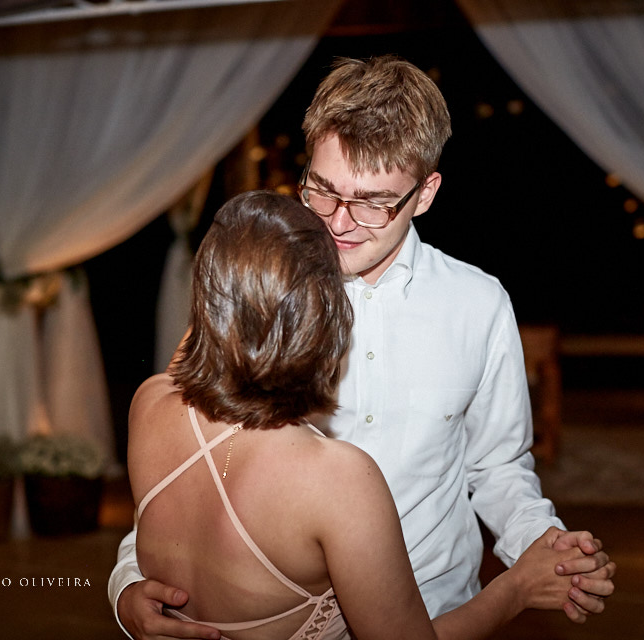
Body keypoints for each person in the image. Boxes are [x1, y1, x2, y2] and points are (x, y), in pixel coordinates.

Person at [110, 55, 615, 640]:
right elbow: (188, 467)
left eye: (374, 201)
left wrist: (542, 544)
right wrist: (127, 582)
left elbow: (498, 466)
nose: (340, 222)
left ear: (425, 194)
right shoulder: (257, 294)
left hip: (439, 609)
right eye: (322, 190)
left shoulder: (478, 304)